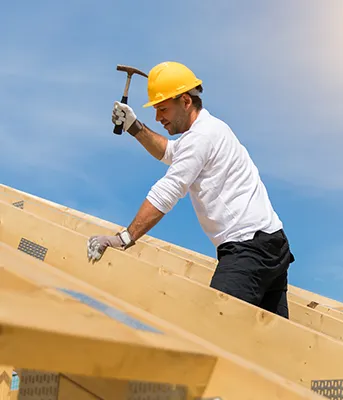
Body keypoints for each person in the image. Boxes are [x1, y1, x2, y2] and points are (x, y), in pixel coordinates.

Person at [87, 61, 294, 318]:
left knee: (212, 332)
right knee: (269, 344)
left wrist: (124, 238)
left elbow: (169, 189)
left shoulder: (201, 137)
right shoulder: (210, 130)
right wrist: (133, 126)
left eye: (162, 109)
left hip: (248, 249)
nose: (157, 117)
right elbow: (171, 152)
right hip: (273, 245)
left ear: (185, 102)